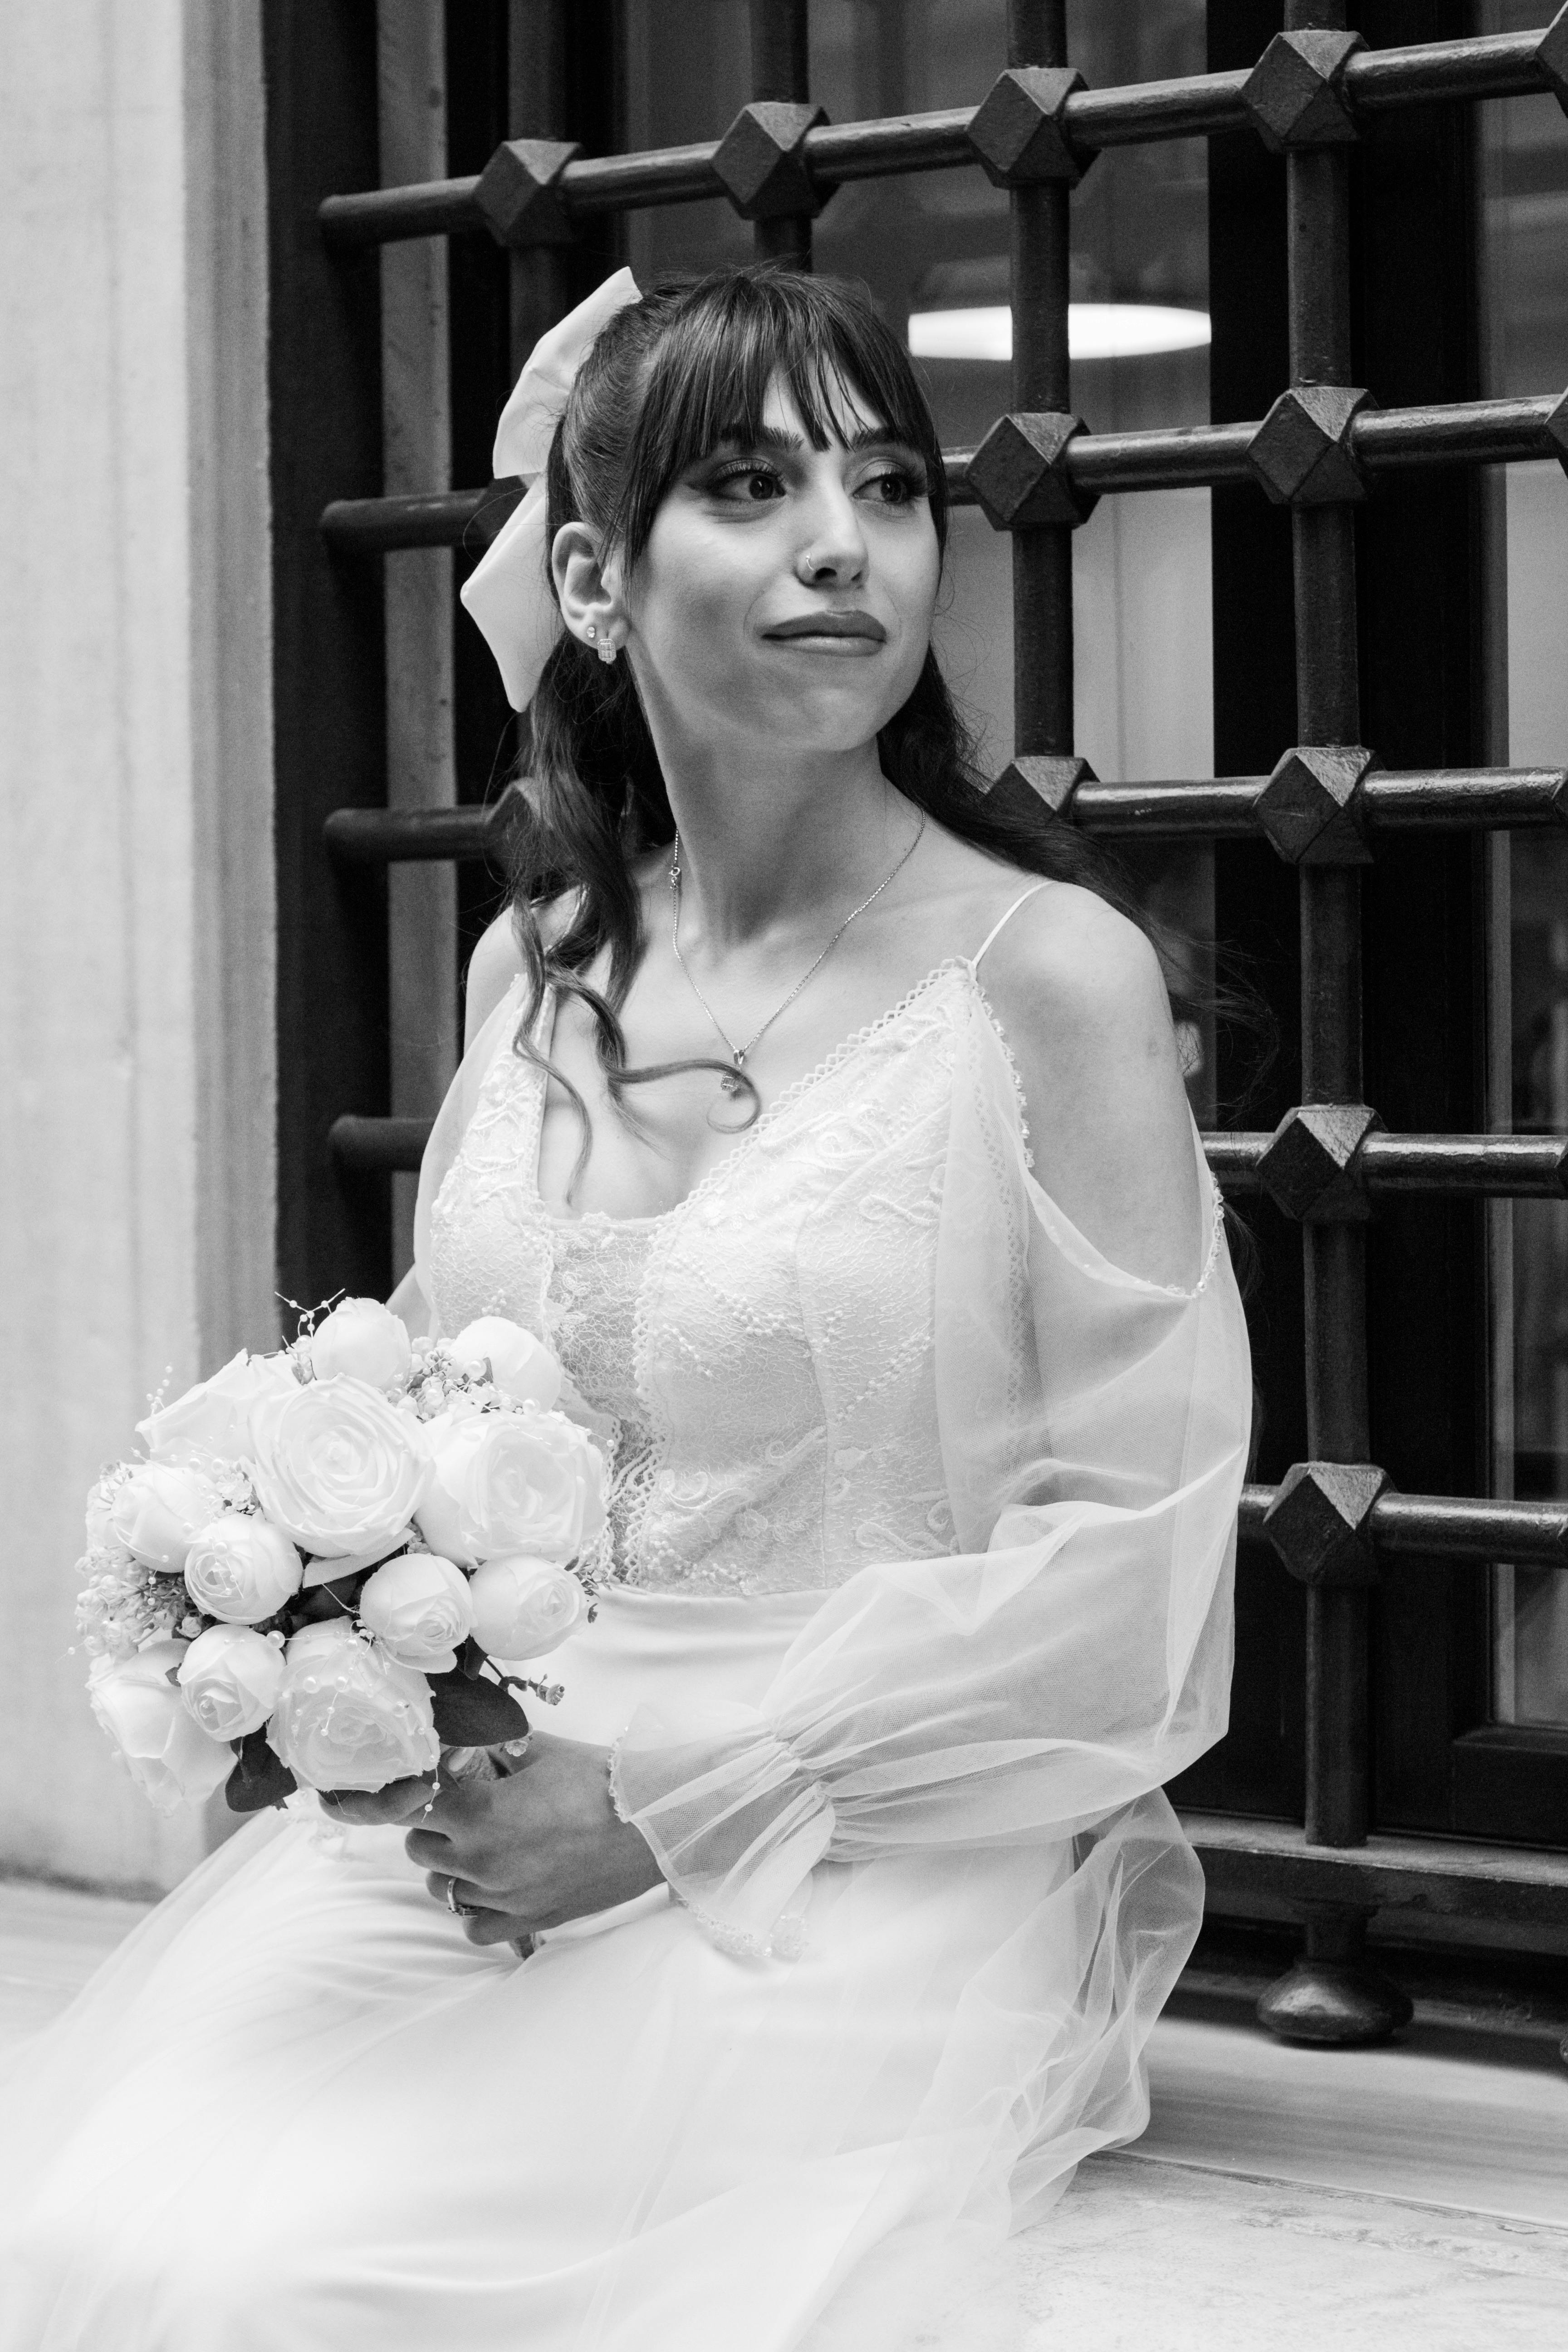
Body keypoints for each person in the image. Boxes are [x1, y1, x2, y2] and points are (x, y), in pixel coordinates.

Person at [0, 266, 1250, 2352]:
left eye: (885, 485)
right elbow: (432, 1401)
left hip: (863, 1832)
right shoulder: (536, 968)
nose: (842, 543)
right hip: (496, 1803)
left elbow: (1134, 1569)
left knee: (324, 2277)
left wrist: (677, 1803)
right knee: (86, 2233)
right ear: (590, 571)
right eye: (752, 486)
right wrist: (330, 1643)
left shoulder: (1047, 979)